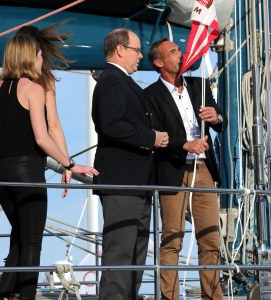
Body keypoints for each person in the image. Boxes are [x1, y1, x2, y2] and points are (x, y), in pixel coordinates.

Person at [0, 34, 99, 300]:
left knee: (19, 232)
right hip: (27, 171)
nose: (44, 60)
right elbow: (43, 137)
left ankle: (7, 292)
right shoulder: (33, 88)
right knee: (31, 241)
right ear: (31, 56)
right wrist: (70, 163)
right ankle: (25, 294)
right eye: (41, 55)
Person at [144, 38, 227, 300]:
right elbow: (155, 135)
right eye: (173, 51)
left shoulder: (199, 84)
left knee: (210, 238)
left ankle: (212, 296)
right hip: (173, 169)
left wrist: (218, 117)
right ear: (159, 62)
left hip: (203, 169)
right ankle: (170, 297)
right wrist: (185, 145)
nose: (181, 54)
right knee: (172, 237)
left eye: (180, 50)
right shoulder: (149, 95)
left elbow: (220, 121)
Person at [91, 28, 169, 300]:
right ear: (120, 49)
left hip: (136, 182)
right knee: (122, 253)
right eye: (136, 51)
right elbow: (110, 124)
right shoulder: (113, 80)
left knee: (136, 253)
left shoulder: (121, 81)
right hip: (122, 182)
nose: (140, 57)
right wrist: (151, 137)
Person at [15, 22, 73, 198]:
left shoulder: (2, 83)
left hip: (2, 163)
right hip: (31, 163)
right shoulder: (44, 81)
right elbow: (53, 125)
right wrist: (67, 163)